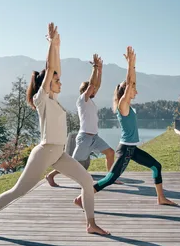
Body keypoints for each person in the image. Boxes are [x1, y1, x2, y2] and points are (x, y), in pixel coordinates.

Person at [0, 23, 109, 236]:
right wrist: (51, 45)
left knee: (86, 180)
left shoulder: (53, 100)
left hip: (58, 153)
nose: (60, 82)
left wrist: (58, 47)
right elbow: (50, 69)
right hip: (45, 152)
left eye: (58, 80)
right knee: (18, 191)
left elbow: (54, 70)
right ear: (46, 84)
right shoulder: (42, 100)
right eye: (56, 81)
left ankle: (91, 224)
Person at [73, 46, 177, 209]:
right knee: (110, 179)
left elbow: (128, 84)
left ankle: (161, 198)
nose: (136, 90)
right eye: (133, 89)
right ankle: (81, 197)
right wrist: (131, 65)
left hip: (131, 149)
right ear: (126, 92)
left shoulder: (125, 105)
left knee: (156, 166)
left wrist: (127, 66)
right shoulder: (123, 105)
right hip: (126, 149)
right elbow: (130, 83)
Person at [45, 54, 123, 187]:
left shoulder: (90, 101)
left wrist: (100, 70)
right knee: (71, 163)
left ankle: (111, 178)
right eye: (92, 89)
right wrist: (94, 67)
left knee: (110, 153)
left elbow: (96, 84)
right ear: (86, 90)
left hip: (95, 138)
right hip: (84, 139)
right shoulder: (82, 100)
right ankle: (50, 176)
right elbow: (93, 84)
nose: (95, 90)